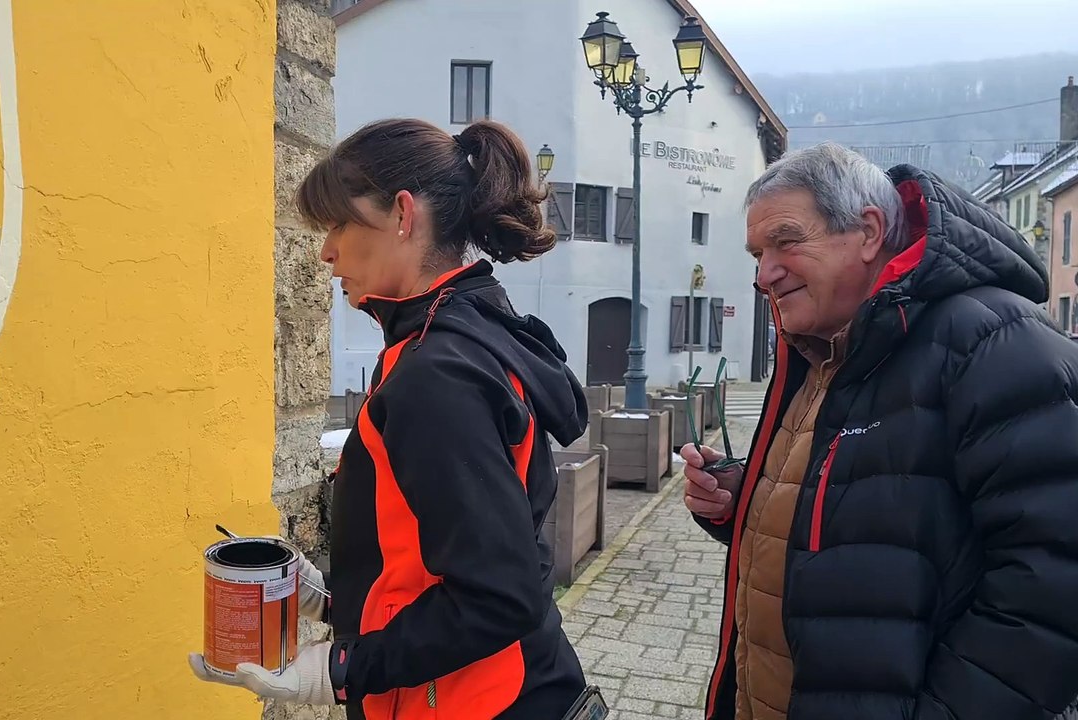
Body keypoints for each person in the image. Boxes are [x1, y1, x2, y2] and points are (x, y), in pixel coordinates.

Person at [189, 117, 592, 719]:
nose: (326, 252)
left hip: (477, 704)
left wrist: (340, 670)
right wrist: (332, 599)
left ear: (403, 216)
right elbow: (439, 551)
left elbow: (496, 595)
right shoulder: (458, 333)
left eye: (338, 224)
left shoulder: (437, 374)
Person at [682, 142, 1078, 720]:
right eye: (757, 253)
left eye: (786, 242)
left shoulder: (991, 341)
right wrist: (743, 502)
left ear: (868, 232)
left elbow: (1052, 587)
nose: (763, 275)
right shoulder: (823, 354)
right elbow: (877, 523)